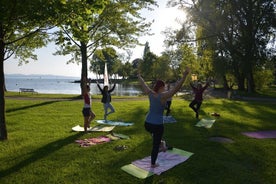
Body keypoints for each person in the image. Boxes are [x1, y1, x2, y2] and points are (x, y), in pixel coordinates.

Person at [138, 67, 190, 168]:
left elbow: (143, 84)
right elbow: (176, 88)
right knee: (155, 145)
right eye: (164, 87)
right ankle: (153, 163)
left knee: (155, 136)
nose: (165, 88)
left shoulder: (150, 93)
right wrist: (184, 76)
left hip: (147, 124)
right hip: (157, 125)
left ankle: (162, 144)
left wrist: (139, 76)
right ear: (161, 87)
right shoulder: (164, 96)